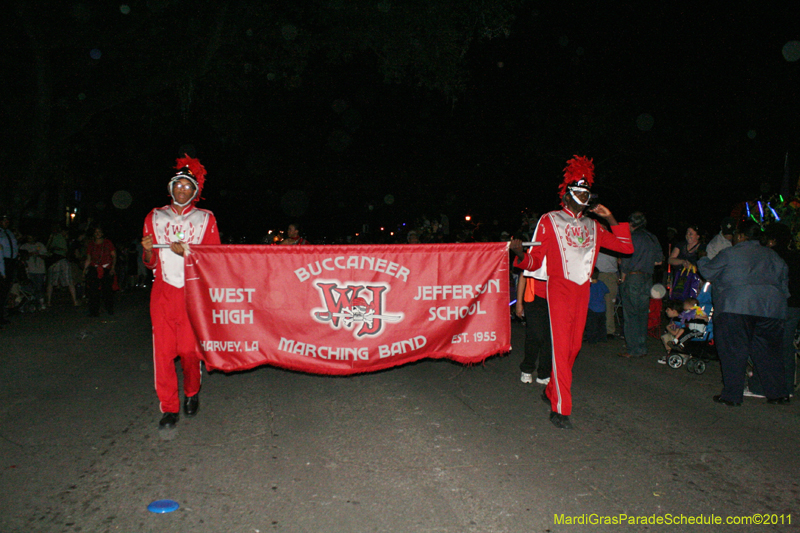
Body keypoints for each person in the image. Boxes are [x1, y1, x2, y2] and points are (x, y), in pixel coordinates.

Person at [510, 155, 633, 429]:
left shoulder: (594, 226)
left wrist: (610, 216)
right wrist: (519, 253)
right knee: (561, 346)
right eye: (578, 192)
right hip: (558, 289)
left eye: (587, 193)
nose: (584, 197)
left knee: (573, 349)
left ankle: (551, 390)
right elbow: (533, 261)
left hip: (582, 291)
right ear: (566, 195)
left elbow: (626, 248)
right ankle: (561, 408)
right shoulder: (549, 220)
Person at [142, 155, 221, 429]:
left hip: (192, 292)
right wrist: (149, 251)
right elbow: (150, 262)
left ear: (195, 191)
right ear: (171, 188)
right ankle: (169, 408)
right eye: (178, 185)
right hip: (163, 290)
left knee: (189, 350)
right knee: (162, 353)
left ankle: (191, 391)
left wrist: (187, 253)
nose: (182, 190)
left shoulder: (206, 219)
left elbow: (214, 259)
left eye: (188, 186)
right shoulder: (154, 216)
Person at [698, 221, 790, 406]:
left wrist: (703, 258)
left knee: (734, 351)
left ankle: (732, 396)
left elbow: (708, 272)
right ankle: (778, 394)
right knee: (769, 353)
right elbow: (784, 288)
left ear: (741, 236)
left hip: (736, 307)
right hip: (771, 309)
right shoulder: (774, 257)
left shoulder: (731, 253)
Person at [747, 223, 799, 399]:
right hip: (795, 307)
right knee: (786, 346)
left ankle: (760, 387)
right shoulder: (795, 256)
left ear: (772, 240)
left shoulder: (772, 256)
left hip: (777, 305)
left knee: (765, 345)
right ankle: (787, 387)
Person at [619, 211, 664, 358]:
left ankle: (632, 349)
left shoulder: (631, 237)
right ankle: (641, 347)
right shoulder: (652, 237)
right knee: (642, 314)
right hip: (647, 279)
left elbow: (626, 262)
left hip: (633, 278)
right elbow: (659, 261)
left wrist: (622, 278)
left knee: (630, 314)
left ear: (631, 224)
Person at [515, 264, 552, 385]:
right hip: (534, 299)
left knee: (549, 338)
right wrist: (519, 303)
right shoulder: (535, 252)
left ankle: (544, 373)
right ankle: (527, 368)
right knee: (535, 336)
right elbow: (523, 276)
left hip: (554, 299)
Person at [83, 227, 116, 316]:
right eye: (96, 232)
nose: (97, 234)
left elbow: (113, 256)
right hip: (95, 268)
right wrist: (85, 269)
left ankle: (109, 309)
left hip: (106, 268)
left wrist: (112, 268)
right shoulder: (91, 244)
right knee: (93, 291)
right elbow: (89, 258)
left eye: (99, 232)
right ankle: (94, 311)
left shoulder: (108, 243)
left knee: (107, 290)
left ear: (102, 234)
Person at [595, 251, 620, 339]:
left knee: (608, 304)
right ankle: (597, 329)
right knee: (598, 304)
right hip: (599, 274)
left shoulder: (608, 244)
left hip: (607, 274)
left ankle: (608, 330)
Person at [19, 235, 48, 310]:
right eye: (29, 238)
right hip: (30, 270)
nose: (30, 239)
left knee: (39, 287)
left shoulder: (40, 245)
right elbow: (21, 257)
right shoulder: (24, 246)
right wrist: (30, 254)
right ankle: (33, 302)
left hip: (39, 270)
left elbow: (45, 256)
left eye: (31, 238)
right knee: (30, 287)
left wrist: (39, 254)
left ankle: (41, 302)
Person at [0, 214, 19, 324]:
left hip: (11, 262)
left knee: (6, 291)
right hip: (3, 261)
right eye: (4, 221)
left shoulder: (9, 233)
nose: (6, 223)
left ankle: (2, 315)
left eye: (7, 221)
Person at [584, 268, 609, 344]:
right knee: (601, 324)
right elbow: (607, 290)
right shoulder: (601, 283)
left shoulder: (589, 286)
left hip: (591, 308)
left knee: (591, 325)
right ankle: (602, 338)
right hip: (602, 308)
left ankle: (592, 339)